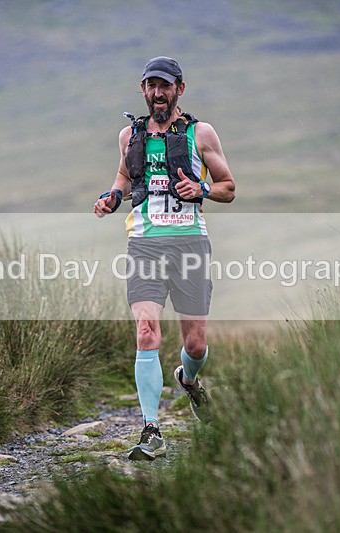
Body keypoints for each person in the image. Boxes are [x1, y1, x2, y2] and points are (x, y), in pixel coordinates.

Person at [93, 56, 236, 461]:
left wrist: (202, 191)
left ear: (179, 89)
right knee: (146, 331)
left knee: (194, 343)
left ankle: (188, 380)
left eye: (165, 86)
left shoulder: (200, 133)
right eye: (151, 86)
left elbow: (228, 187)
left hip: (190, 244)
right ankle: (151, 429)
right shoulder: (130, 136)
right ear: (142, 90)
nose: (158, 94)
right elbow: (124, 177)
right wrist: (113, 197)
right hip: (144, 245)